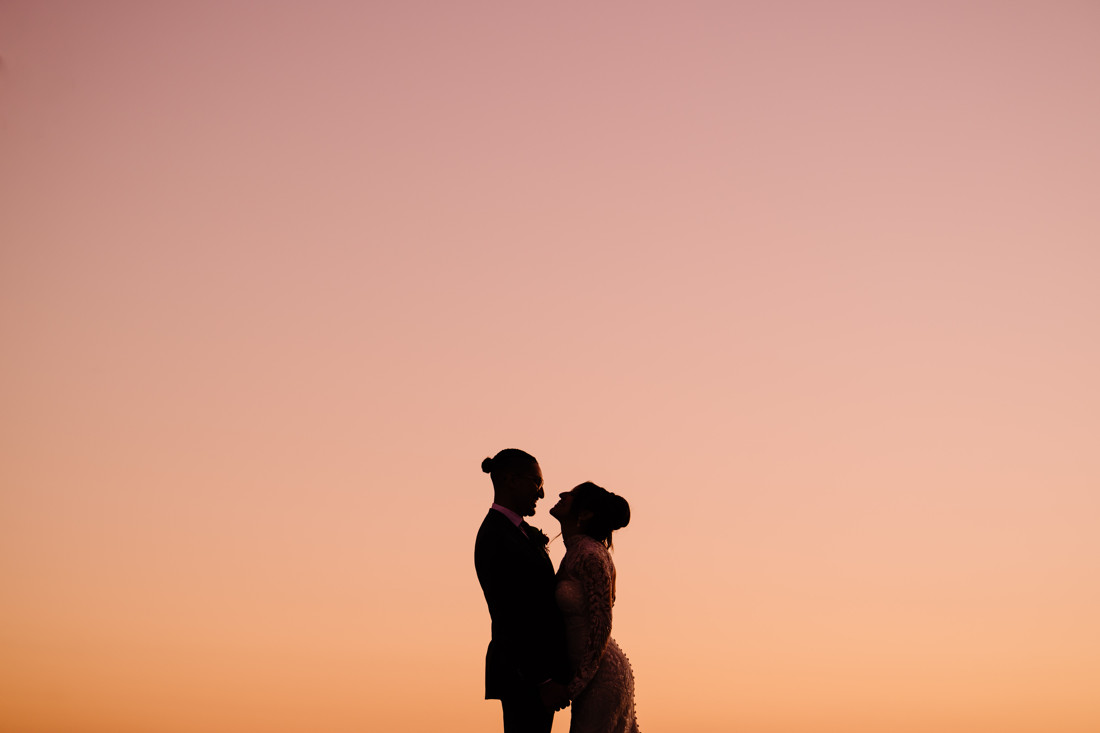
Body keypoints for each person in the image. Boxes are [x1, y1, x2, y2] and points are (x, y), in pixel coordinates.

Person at [475, 449, 570, 733]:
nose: (542, 494)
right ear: (511, 480)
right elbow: (511, 615)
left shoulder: (518, 532)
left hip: (536, 672)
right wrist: (543, 680)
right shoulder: (495, 535)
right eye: (537, 483)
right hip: (524, 674)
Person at [550, 482, 640, 733]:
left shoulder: (591, 555)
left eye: (572, 494)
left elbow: (602, 624)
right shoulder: (575, 551)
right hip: (586, 673)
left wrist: (576, 684)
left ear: (586, 513)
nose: (561, 494)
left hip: (599, 675)